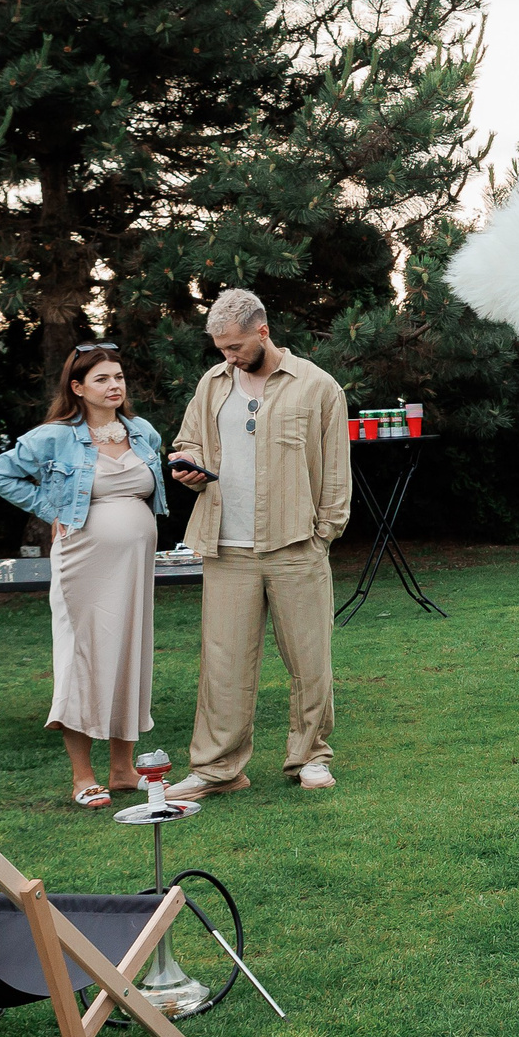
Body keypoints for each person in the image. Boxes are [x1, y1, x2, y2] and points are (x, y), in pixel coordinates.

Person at [164, 288, 351, 798]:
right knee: (222, 664)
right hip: (227, 546)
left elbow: (336, 472)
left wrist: (324, 533)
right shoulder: (212, 384)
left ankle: (311, 757)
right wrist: (190, 469)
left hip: (296, 544)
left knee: (309, 661)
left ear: (263, 331)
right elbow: (189, 442)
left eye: (235, 346)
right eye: (221, 348)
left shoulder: (318, 386)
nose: (228, 356)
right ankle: (217, 770)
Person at [0, 344, 171, 807]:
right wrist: (52, 510)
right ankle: (82, 776)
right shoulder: (55, 436)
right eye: (103, 379)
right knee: (84, 657)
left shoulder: (142, 432)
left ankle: (124, 770)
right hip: (83, 563)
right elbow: (0, 473)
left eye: (119, 377)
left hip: (135, 566)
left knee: (130, 653)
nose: (115, 386)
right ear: (78, 388)